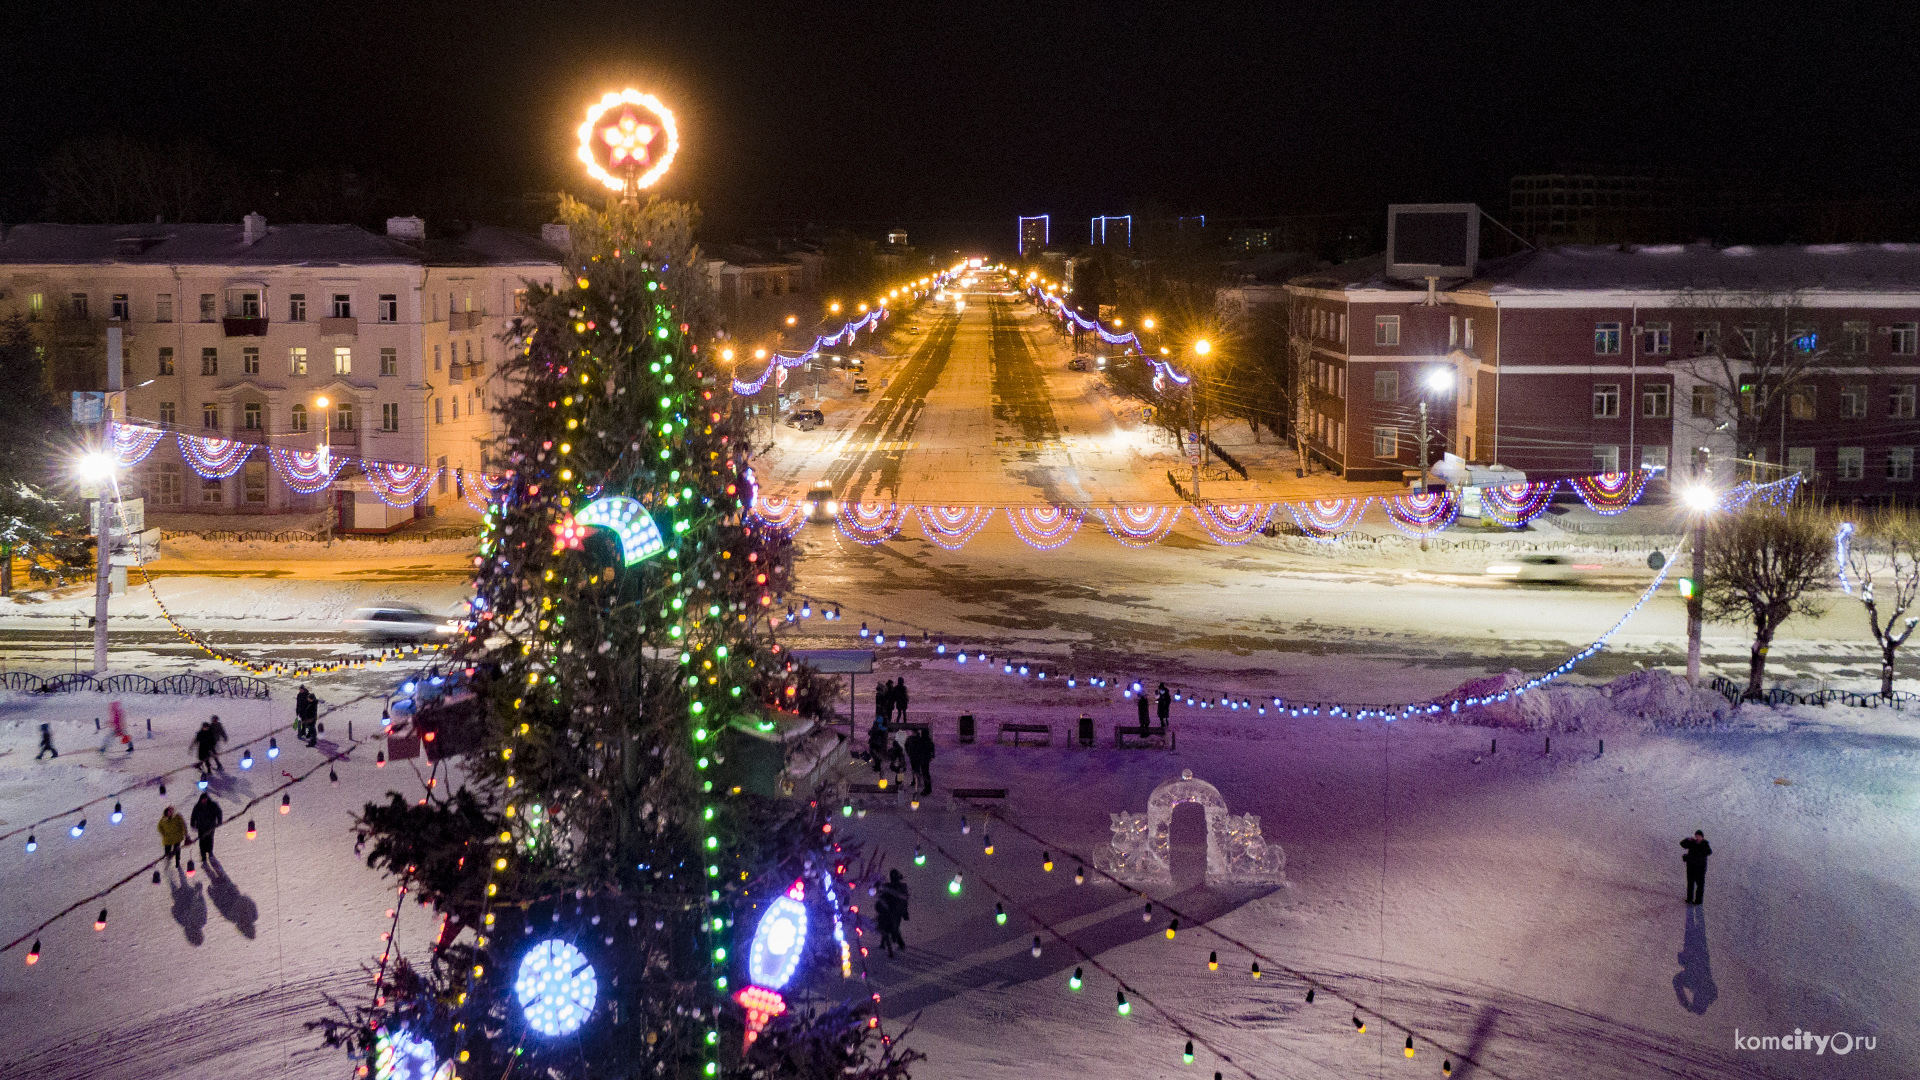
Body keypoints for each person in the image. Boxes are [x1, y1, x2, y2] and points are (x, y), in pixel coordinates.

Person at [875, 869, 910, 957]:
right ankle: (886, 944)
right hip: (890, 910)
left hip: (896, 911)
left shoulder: (901, 887)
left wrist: (905, 912)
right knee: (888, 927)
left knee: (893, 928)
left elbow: (904, 900)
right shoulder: (890, 886)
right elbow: (882, 893)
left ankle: (898, 944)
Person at [189, 792, 224, 864]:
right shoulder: (197, 806)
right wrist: (192, 823)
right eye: (203, 799)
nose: (204, 800)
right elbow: (193, 815)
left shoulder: (213, 805)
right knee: (202, 841)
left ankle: (210, 852)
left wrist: (219, 820)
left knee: (210, 839)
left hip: (210, 826)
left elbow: (219, 812)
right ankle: (203, 855)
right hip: (201, 827)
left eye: (205, 799)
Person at [1681, 830, 1712, 905]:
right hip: (1691, 868)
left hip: (1700, 870)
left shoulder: (1705, 844)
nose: (1697, 838)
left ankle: (1698, 901)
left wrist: (1702, 846)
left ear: (1702, 837)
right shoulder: (1692, 843)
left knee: (1700, 886)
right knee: (1690, 885)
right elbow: (1682, 844)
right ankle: (1689, 899)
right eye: (1696, 836)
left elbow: (1709, 852)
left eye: (1699, 836)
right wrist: (1687, 839)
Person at [904, 727, 935, 797]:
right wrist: (931, 757)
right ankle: (927, 787)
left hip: (923, 759)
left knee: (925, 774)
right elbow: (932, 751)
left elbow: (918, 749)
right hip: (925, 760)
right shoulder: (928, 741)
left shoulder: (922, 741)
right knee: (925, 773)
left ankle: (927, 789)